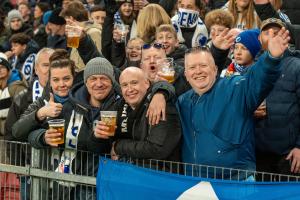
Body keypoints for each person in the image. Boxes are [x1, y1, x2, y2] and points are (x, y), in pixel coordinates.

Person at [176, 27, 290, 179]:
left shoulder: (235, 88)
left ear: (215, 69)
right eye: (192, 67)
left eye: (203, 66)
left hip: (236, 182)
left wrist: (271, 58)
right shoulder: (182, 102)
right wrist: (160, 92)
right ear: (186, 74)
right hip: (197, 184)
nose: (198, 71)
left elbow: (257, 80)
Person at [95, 67, 181, 162]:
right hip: (131, 171)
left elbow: (157, 149)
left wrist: (119, 146)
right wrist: (97, 137)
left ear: (147, 83)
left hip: (160, 174)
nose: (130, 89)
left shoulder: (160, 104)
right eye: (124, 85)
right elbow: (102, 147)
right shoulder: (119, 106)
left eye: (134, 83)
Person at [254, 18, 300, 180]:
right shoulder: (252, 67)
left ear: (286, 36)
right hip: (257, 154)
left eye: (277, 32)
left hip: (289, 156)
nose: (272, 36)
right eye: (267, 33)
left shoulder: (296, 66)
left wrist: (299, 147)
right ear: (260, 39)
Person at [60, 0, 102, 72]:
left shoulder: (94, 32)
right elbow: (73, 59)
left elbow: (97, 62)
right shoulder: (73, 33)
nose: (66, 25)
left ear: (71, 19)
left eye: (66, 21)